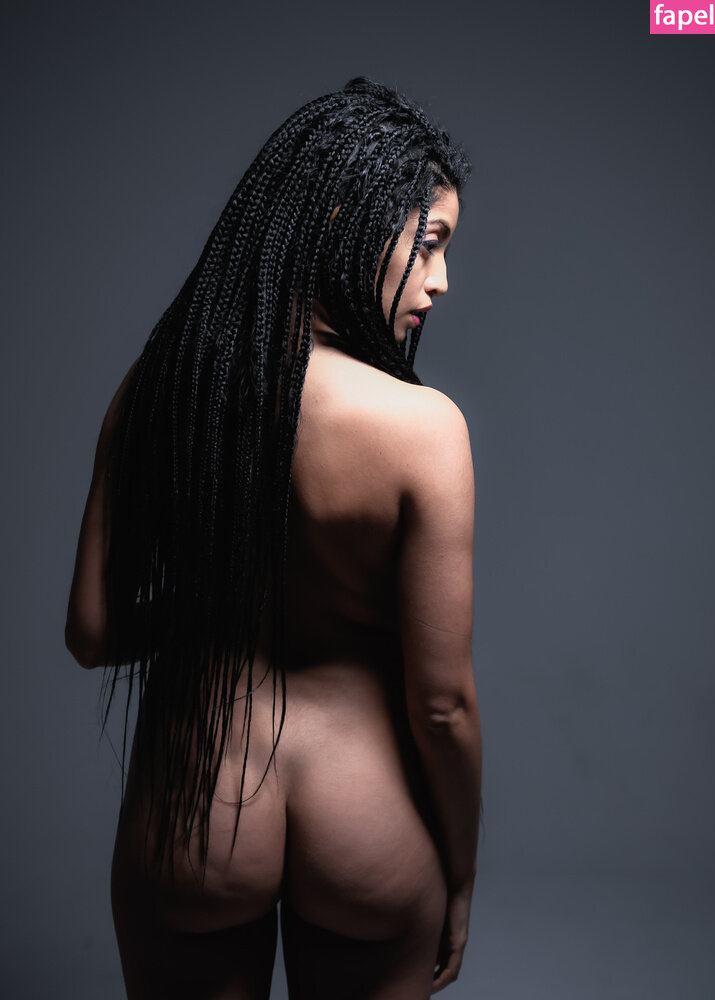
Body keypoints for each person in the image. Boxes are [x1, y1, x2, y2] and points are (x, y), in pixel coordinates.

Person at [65, 77, 481, 1000]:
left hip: (195, 806)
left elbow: (91, 632)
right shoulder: (424, 430)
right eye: (430, 243)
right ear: (344, 219)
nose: (442, 280)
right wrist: (462, 868)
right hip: (367, 818)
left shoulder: (160, 387)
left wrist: (223, 597)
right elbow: (442, 706)